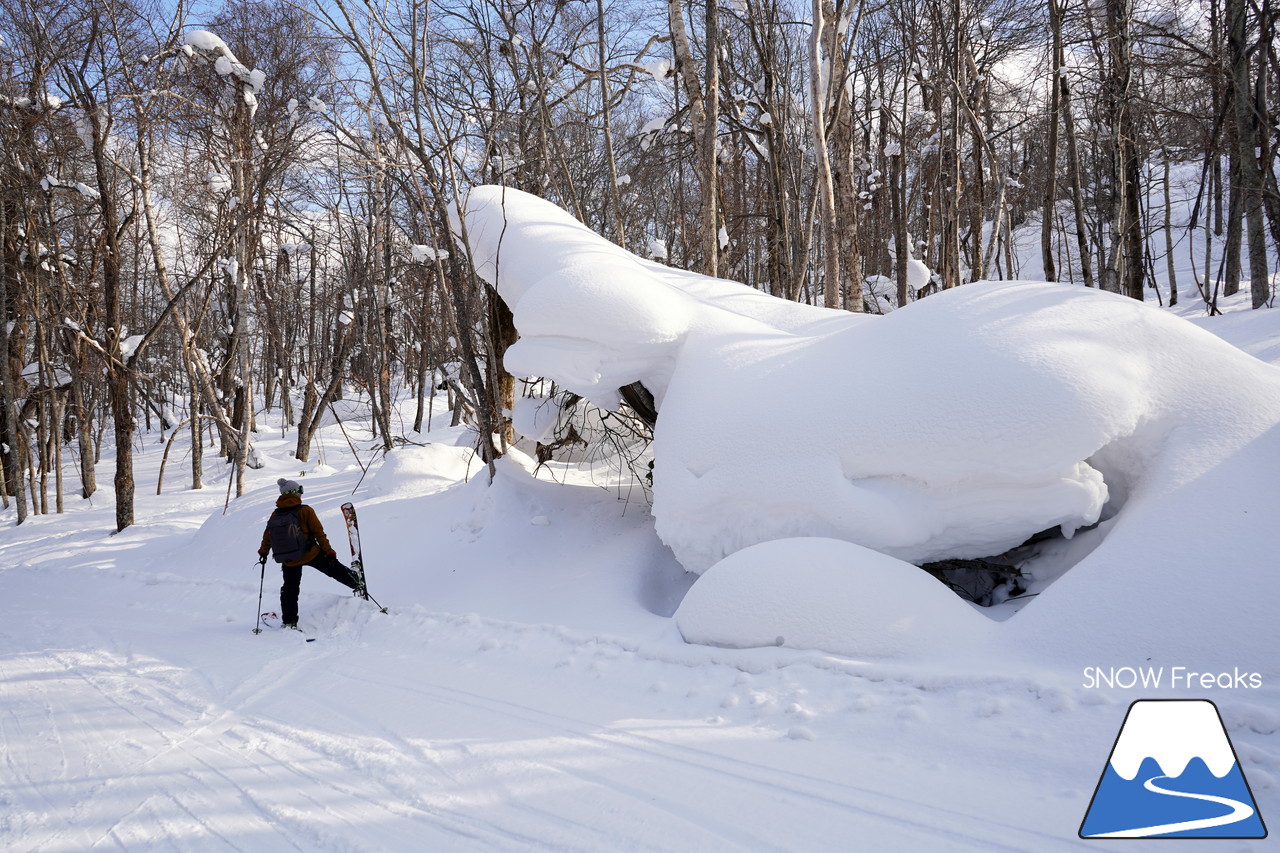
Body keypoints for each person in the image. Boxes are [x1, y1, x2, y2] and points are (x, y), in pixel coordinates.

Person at [257, 478, 364, 628]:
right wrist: (329, 551)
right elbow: (319, 533)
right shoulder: (305, 510)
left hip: (289, 559)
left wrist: (263, 552)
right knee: (333, 568)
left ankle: (289, 622)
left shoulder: (276, 514)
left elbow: (267, 536)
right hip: (310, 553)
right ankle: (356, 582)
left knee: (290, 589)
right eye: (300, 491)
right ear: (295, 493)